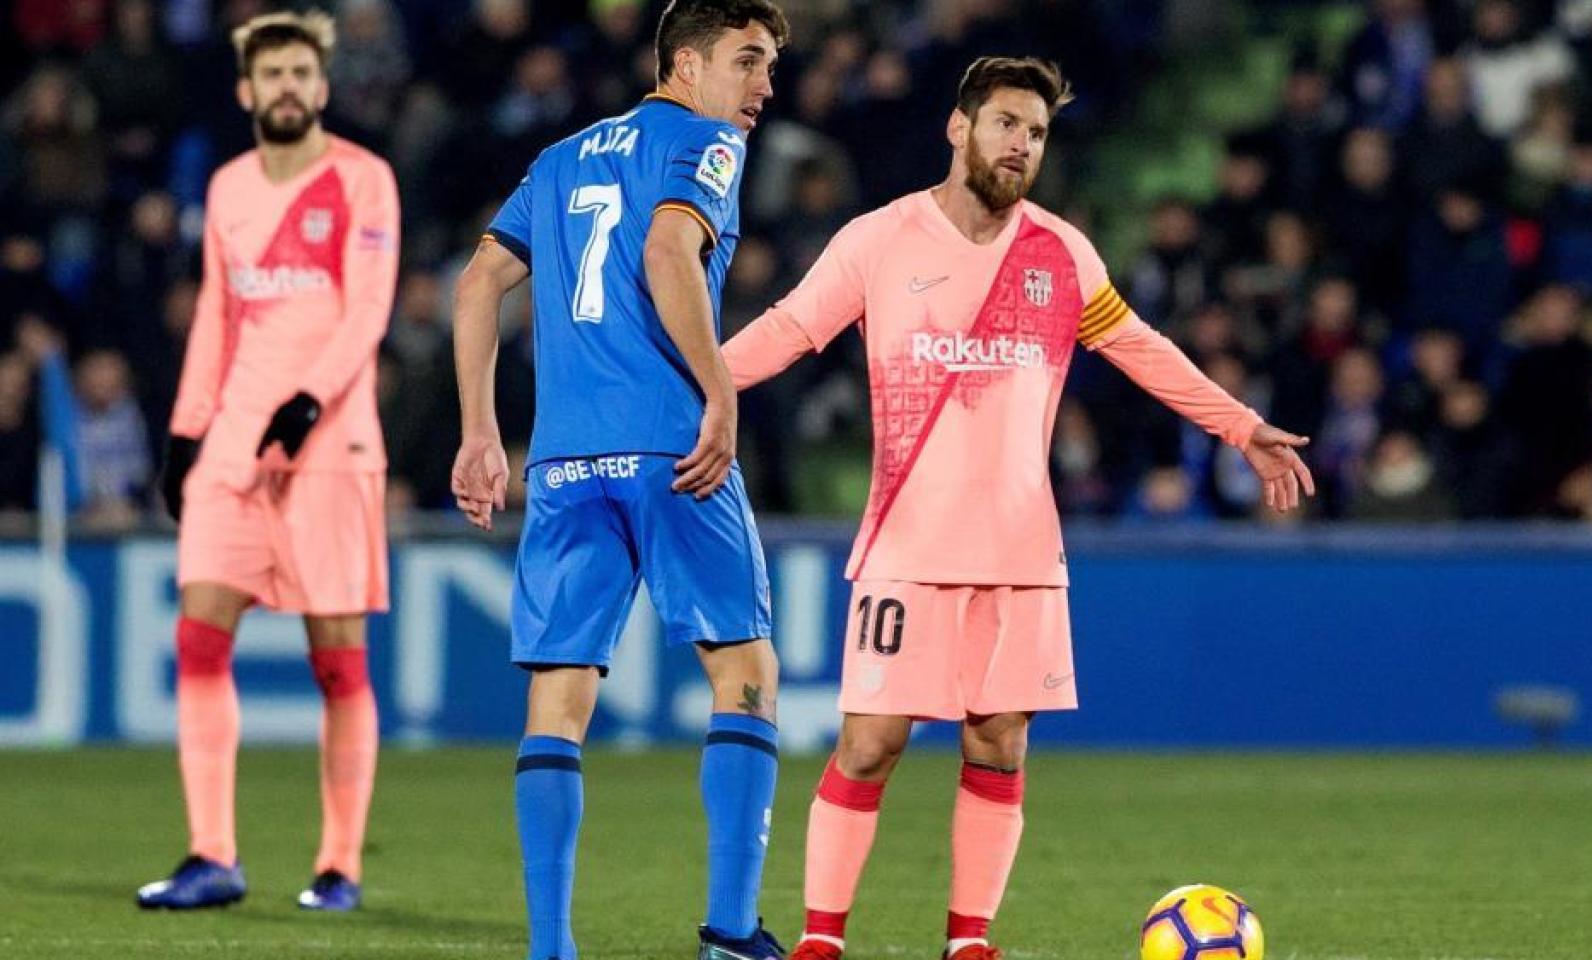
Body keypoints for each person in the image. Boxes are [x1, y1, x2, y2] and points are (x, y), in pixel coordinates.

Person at [720, 57, 1316, 960]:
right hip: (907, 546)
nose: (1021, 145)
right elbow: (791, 328)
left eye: (1035, 133)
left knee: (998, 747)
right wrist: (696, 391)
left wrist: (1241, 428)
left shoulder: (1060, 252)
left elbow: (1141, 349)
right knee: (871, 742)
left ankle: (969, 943)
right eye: (1005, 124)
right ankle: (822, 939)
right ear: (958, 128)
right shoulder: (879, 239)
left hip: (1021, 552)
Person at [447, 3, 790, 959]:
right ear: (686, 62)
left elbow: (476, 285)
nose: (763, 85)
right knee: (746, 672)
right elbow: (667, 250)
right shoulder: (709, 142)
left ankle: (551, 949)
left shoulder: (558, 161)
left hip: (562, 460)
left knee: (556, 703)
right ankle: (729, 930)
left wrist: (483, 432)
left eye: (770, 66)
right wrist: (718, 392)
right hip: (671, 449)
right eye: (747, 61)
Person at [137, 11, 400, 913]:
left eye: (301, 73)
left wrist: (304, 408)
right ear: (248, 91)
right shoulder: (229, 187)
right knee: (198, 639)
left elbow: (367, 313)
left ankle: (338, 866)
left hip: (328, 449)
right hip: (233, 447)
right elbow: (218, 316)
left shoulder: (364, 181)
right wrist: (185, 433)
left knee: (337, 663)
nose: (288, 87)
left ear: (321, 87)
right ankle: (213, 855)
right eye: (272, 75)